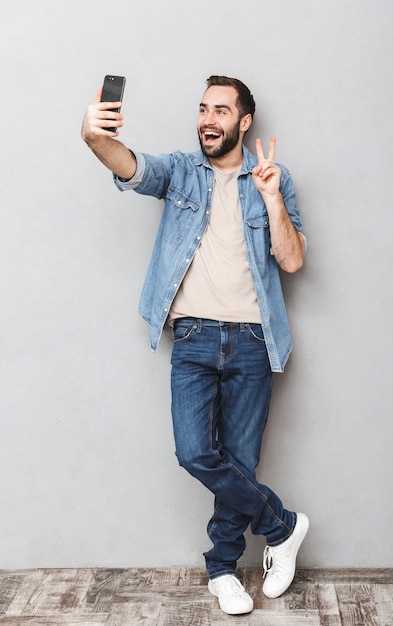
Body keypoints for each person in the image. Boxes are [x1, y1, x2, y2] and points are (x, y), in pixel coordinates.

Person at [81, 75, 309, 616]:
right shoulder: (182, 171)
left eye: (222, 111)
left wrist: (273, 198)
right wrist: (94, 138)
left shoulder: (272, 178)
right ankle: (283, 527)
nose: (209, 119)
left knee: (240, 461)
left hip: (254, 339)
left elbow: (294, 260)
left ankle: (223, 570)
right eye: (204, 109)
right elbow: (130, 165)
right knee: (195, 452)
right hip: (194, 337)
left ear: (244, 121)